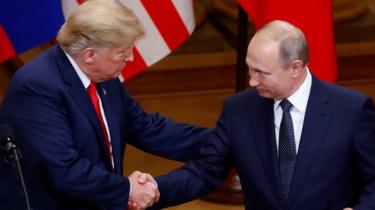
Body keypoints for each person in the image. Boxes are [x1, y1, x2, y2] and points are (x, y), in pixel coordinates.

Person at [0, 0, 209, 210]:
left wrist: (221, 139)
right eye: (122, 52)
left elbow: (146, 127)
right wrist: (127, 189)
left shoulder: (104, 76)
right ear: (90, 54)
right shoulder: (36, 87)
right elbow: (64, 170)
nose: (131, 58)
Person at [151, 20, 375, 210]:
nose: (251, 81)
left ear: (295, 68)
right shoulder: (238, 109)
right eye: (250, 68)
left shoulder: (351, 110)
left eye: (262, 73)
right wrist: (150, 192)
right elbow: (205, 171)